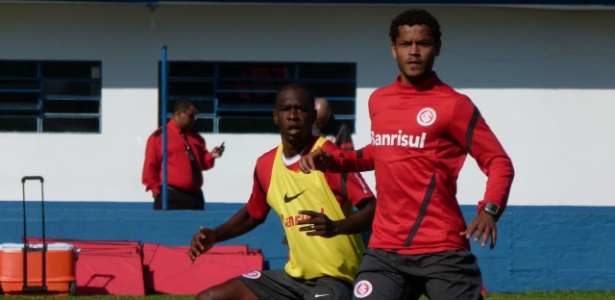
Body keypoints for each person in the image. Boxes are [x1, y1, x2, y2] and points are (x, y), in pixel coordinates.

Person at [300, 9, 514, 300]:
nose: (414, 52)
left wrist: (490, 209)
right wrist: (334, 160)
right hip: (385, 249)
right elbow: (382, 152)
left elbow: (498, 161)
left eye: (423, 44)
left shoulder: (455, 105)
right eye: (405, 44)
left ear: (437, 47)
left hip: (441, 248)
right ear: (393, 49)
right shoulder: (379, 100)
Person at [188, 83, 376, 300]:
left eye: (302, 109)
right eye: (286, 109)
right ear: (275, 116)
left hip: (336, 278)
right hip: (291, 279)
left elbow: (373, 209)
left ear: (314, 116)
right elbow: (252, 214)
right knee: (209, 298)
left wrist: (337, 227)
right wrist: (215, 235)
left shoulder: (327, 157)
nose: (294, 115)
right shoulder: (266, 165)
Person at [142, 97, 224, 210]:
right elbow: (150, 167)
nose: (193, 120)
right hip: (171, 197)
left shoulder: (196, 138)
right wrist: (157, 193)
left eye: (195, 116)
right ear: (179, 113)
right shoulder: (160, 137)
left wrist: (211, 156)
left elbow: (202, 164)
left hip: (195, 197)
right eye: (191, 116)